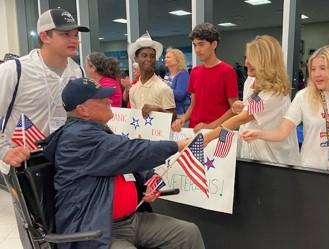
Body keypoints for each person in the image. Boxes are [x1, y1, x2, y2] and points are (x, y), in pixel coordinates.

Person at [41, 77, 205, 249]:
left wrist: (151, 180)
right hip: (95, 228)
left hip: (130, 220)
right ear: (82, 109)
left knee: (187, 233)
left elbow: (127, 162)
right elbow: (131, 152)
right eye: (101, 98)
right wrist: (178, 145)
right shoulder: (77, 137)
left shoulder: (99, 131)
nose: (109, 100)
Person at [0, 9, 89, 249]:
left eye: (75, 34)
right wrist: (4, 150)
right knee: (35, 231)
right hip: (22, 164)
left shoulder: (76, 72)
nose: (74, 39)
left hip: (61, 160)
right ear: (45, 36)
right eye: (66, 34)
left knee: (62, 226)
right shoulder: (14, 70)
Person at [240, 44, 329, 173]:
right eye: (313, 69)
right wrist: (258, 134)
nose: (317, 74)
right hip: (309, 171)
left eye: (323, 68)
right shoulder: (303, 96)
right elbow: (282, 132)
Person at [204, 35, 300, 165]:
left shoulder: (273, 94)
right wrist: (243, 107)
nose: (246, 63)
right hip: (251, 153)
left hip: (274, 160)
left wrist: (206, 138)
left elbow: (243, 118)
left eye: (252, 59)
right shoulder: (250, 81)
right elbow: (249, 112)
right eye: (247, 57)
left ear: (266, 61)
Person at [171, 22, 238, 132]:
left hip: (216, 133)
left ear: (214, 44)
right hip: (194, 130)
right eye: (195, 45)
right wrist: (182, 120)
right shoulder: (195, 71)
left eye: (201, 44)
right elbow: (193, 105)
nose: (197, 50)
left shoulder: (227, 71)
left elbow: (234, 109)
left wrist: (209, 126)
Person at [128, 33, 176, 118]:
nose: (149, 59)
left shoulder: (163, 88)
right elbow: (135, 118)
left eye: (152, 56)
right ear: (136, 59)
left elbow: (173, 118)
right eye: (144, 55)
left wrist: (159, 110)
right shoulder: (133, 90)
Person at [164, 47, 191, 117]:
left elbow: (180, 95)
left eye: (168, 57)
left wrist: (164, 87)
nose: (165, 59)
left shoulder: (183, 74)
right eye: (165, 57)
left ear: (177, 60)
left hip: (181, 114)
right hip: (169, 113)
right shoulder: (167, 75)